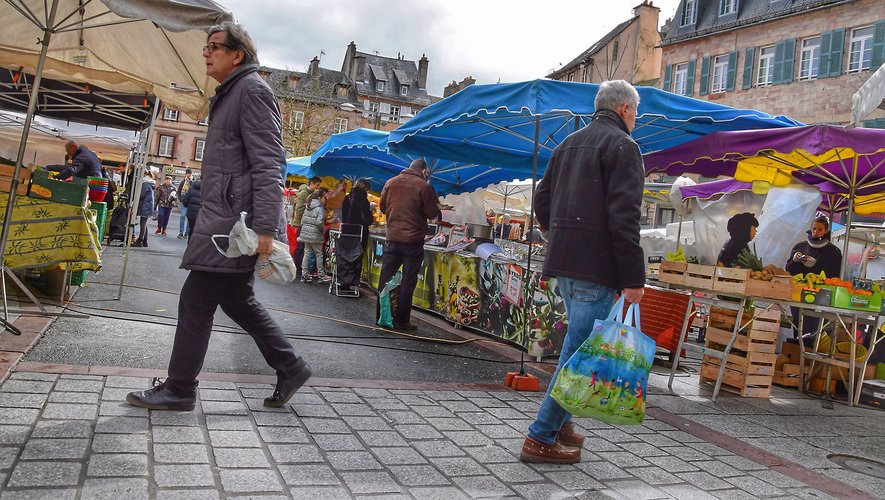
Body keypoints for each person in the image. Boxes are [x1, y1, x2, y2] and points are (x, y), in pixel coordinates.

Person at [126, 21, 311, 411]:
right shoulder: (233, 92)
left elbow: (268, 164)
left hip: (235, 223)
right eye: (205, 46)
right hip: (228, 218)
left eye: (213, 46)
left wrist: (265, 226)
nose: (205, 52)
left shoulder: (252, 91)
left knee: (196, 299)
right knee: (235, 299)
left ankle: (179, 388)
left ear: (237, 54)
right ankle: (289, 365)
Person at [522, 80, 646, 465]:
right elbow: (624, 217)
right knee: (578, 355)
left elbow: (541, 198)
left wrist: (553, 232)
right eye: (636, 112)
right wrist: (634, 277)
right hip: (597, 266)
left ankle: (560, 425)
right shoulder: (623, 146)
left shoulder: (568, 144)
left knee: (578, 347)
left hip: (566, 263)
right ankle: (540, 436)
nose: (636, 119)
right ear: (625, 108)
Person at [377, 159, 440, 331]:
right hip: (413, 240)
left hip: (392, 237)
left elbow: (382, 207)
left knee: (386, 276)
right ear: (424, 170)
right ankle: (401, 320)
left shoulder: (390, 183)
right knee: (407, 281)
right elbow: (431, 213)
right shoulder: (424, 186)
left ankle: (382, 315)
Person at [786, 215, 842, 343]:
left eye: (820, 230)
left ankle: (810, 350)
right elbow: (789, 270)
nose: (816, 232)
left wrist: (816, 266)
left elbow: (834, 275)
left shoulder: (833, 252)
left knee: (814, 329)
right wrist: (794, 261)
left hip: (820, 296)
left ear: (826, 231)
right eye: (814, 229)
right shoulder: (800, 247)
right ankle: (796, 348)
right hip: (798, 294)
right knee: (798, 325)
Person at [341, 178, 374, 290]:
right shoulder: (363, 200)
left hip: (346, 232)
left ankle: (343, 281)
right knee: (356, 256)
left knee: (345, 256)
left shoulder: (347, 197)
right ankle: (353, 281)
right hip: (359, 233)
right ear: (365, 188)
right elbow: (366, 218)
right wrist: (371, 217)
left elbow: (344, 215)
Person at [292, 176, 322, 281]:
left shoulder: (307, 193)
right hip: (301, 224)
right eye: (317, 185)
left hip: (302, 223)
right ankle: (297, 269)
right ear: (312, 183)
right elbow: (300, 209)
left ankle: (299, 269)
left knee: (303, 248)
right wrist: (300, 222)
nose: (318, 187)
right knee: (301, 248)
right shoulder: (305, 193)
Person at [298, 188, 331, 284]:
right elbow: (319, 222)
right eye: (325, 197)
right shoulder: (320, 208)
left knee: (307, 253)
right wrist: (323, 229)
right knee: (319, 254)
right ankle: (321, 276)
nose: (326, 199)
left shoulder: (308, 205)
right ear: (320, 198)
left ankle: (304, 275)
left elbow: (302, 220)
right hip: (315, 234)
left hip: (305, 233)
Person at [132, 171, 156, 248]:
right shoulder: (151, 183)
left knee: (143, 223)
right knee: (144, 223)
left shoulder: (145, 183)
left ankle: (140, 240)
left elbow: (141, 194)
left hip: (145, 205)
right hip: (148, 205)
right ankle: (145, 240)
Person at [177, 169, 195, 238]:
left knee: (189, 217)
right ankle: (181, 232)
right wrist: (181, 199)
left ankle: (187, 233)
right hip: (184, 202)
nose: (188, 175)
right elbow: (179, 191)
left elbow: (194, 188)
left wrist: (190, 181)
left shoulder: (193, 182)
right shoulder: (183, 182)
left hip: (191, 202)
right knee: (182, 216)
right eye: (187, 173)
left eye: (190, 174)